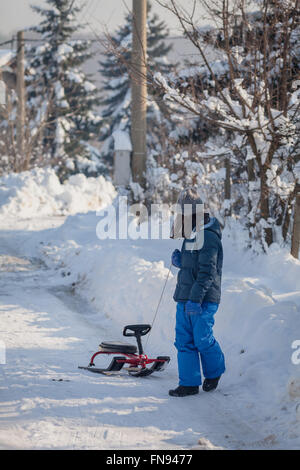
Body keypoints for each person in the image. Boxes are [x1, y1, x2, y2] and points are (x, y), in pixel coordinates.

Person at [169, 188, 225, 397]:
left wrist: (196, 299)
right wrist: (180, 261)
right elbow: (193, 264)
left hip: (203, 300)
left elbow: (207, 271)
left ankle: (215, 371)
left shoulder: (209, 237)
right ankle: (189, 383)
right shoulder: (192, 233)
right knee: (184, 341)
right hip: (185, 297)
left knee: (202, 339)